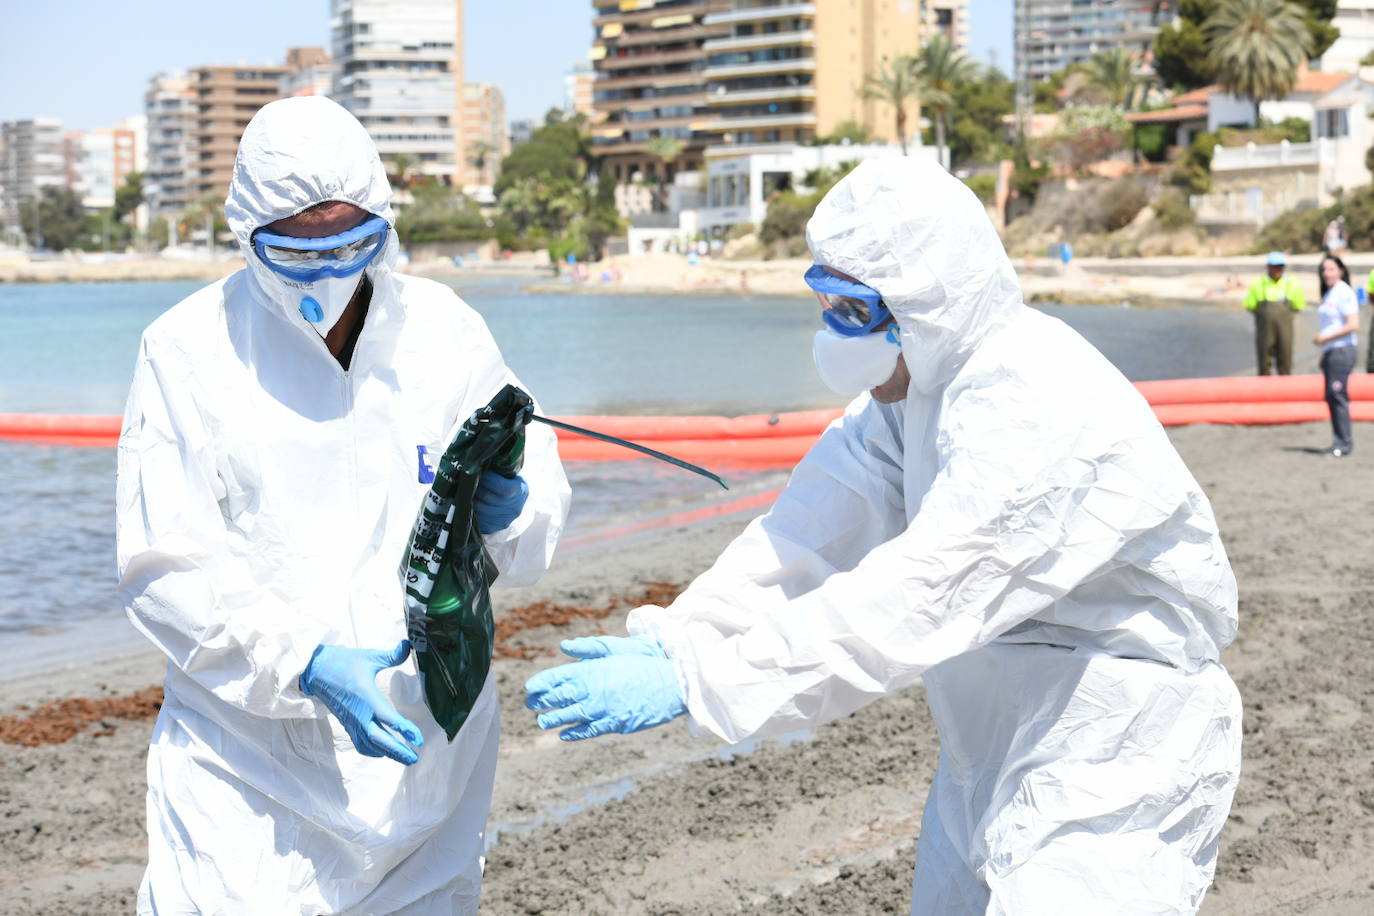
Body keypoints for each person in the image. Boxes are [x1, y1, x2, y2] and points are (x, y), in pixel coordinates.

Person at [525, 159, 1242, 914]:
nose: (835, 333)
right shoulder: (914, 391)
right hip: (987, 737)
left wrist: (708, 684)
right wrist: (684, 638)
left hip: (1116, 743)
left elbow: (916, 596)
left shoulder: (1032, 405)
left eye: (855, 310)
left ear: (929, 301)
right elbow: (809, 532)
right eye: (826, 301)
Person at [116, 97, 570, 914]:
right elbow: (162, 569)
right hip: (251, 770)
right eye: (295, 250)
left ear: (385, 224)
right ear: (246, 233)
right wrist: (303, 663)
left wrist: (514, 513)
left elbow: (531, 522)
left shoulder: (446, 334)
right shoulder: (188, 352)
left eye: (353, 243)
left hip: (426, 766)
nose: (329, 269)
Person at [1314, 254, 1359, 456]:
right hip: (1331, 351)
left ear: (1341, 270)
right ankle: (1338, 440)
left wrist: (1326, 338)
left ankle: (1344, 443)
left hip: (1342, 349)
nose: (1326, 273)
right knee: (1331, 396)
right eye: (1324, 269)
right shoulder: (1329, 293)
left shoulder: (1344, 292)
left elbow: (1353, 325)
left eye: (1331, 269)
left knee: (1338, 395)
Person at [1244, 251, 1306, 375]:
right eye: (1274, 266)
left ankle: (1285, 390)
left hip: (1285, 328)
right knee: (1264, 358)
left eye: (1280, 266)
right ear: (1268, 267)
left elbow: (1298, 306)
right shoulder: (1258, 283)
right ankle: (1264, 390)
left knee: (1285, 358)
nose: (1278, 269)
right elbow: (1250, 305)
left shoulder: (1292, 283)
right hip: (1265, 329)